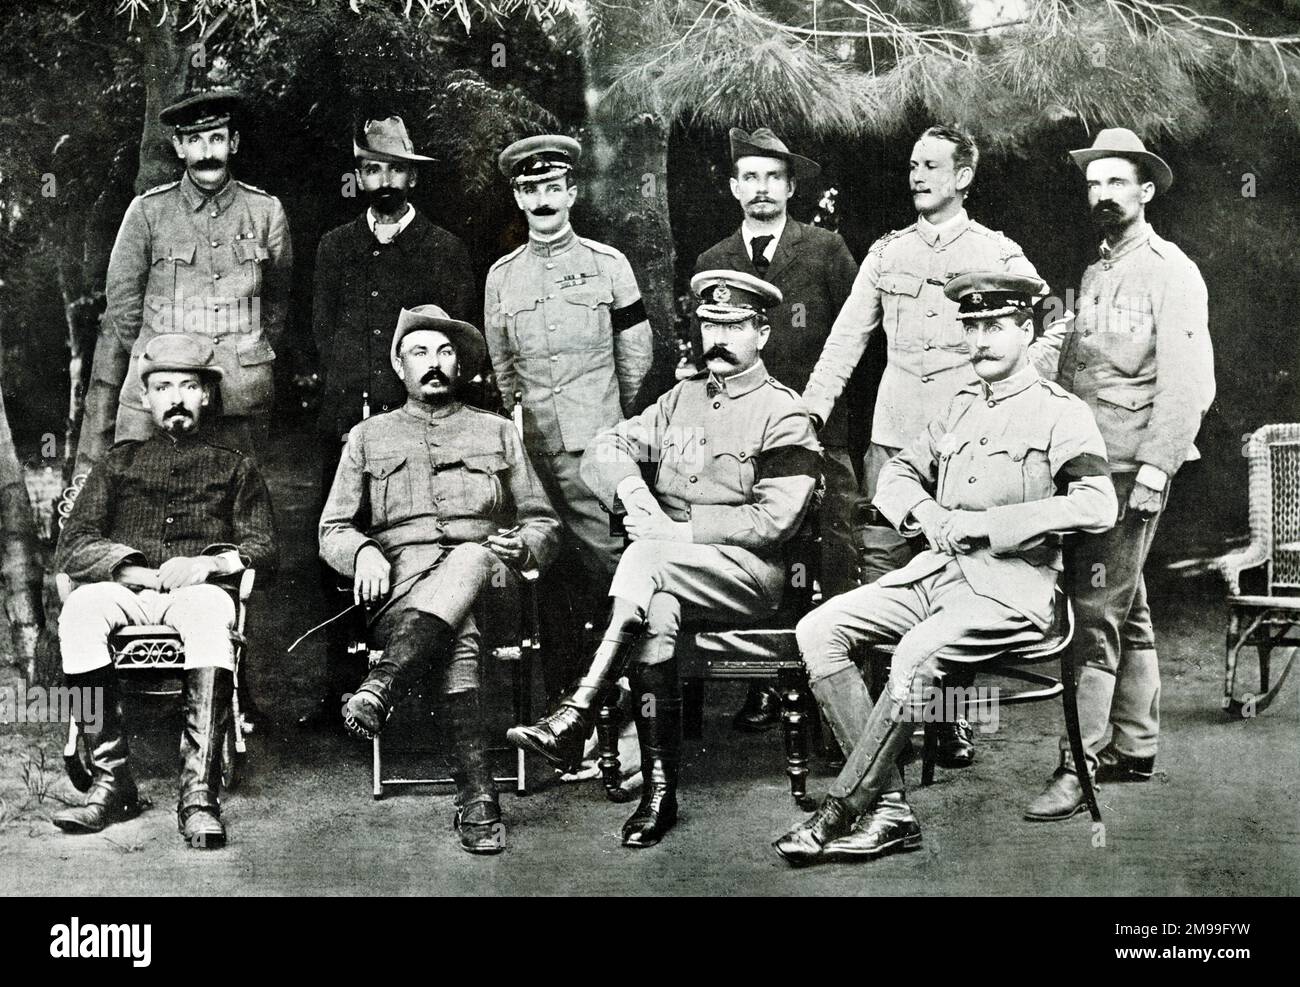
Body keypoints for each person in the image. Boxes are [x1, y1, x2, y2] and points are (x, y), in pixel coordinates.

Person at [774, 273, 1117, 866]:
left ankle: (843, 808)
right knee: (818, 630)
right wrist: (927, 510)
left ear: (1026, 330)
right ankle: (892, 810)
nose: (980, 340)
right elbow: (896, 474)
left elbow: (1097, 504)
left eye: (994, 326)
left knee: (914, 654)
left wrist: (989, 524)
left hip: (1013, 587)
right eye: (971, 327)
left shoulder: (1062, 413)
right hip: (937, 573)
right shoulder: (957, 405)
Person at [508, 271, 821, 847]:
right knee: (655, 612)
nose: (718, 337)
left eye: (734, 325)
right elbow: (607, 446)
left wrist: (675, 533)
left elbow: (775, 522)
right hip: (668, 571)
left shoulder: (785, 413)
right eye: (709, 324)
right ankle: (660, 792)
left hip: (749, 573)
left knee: (647, 560)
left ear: (764, 334)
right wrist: (633, 494)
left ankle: (580, 708)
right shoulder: (681, 399)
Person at [801, 124, 1043, 768]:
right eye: (912, 165)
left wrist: (1018, 393)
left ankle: (950, 719)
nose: (917, 175)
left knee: (965, 568)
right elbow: (847, 338)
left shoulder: (996, 250)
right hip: (896, 432)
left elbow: (1047, 321)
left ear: (963, 177)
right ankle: (884, 720)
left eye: (932, 166)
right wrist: (813, 408)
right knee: (884, 563)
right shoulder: (887, 253)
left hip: (968, 440)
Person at [1023, 128, 1215, 820]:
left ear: (1146, 189)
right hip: (1092, 464)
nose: (1101, 195)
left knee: (1092, 612)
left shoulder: (1171, 271)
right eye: (1092, 183)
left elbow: (1190, 384)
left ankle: (1079, 764)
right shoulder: (1100, 272)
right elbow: (1070, 362)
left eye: (1115, 182)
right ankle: (1135, 744)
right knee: (1126, 605)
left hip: (1133, 466)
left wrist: (1158, 469)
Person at [319, 305, 560, 854]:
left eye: (446, 352)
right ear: (399, 367)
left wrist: (523, 544)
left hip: (494, 578)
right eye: (420, 353)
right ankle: (477, 794)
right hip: (401, 588)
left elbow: (542, 520)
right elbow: (331, 528)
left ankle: (385, 683)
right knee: (461, 632)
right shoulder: (366, 436)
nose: (434, 363)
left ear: (462, 366)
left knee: (472, 557)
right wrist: (361, 553)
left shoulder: (498, 431)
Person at [53, 334, 278, 849]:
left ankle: (198, 795)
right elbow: (74, 544)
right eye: (163, 386)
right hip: (124, 587)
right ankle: (113, 784)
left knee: (208, 616)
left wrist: (210, 564)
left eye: (188, 386)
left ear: (206, 396)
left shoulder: (233, 465)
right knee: (81, 613)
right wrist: (127, 569)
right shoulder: (118, 462)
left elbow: (264, 546)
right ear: (147, 397)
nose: (175, 396)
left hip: (195, 592)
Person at [300, 116, 476, 731]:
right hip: (348, 420)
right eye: (372, 169)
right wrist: (353, 400)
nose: (383, 181)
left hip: (422, 422)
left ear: (412, 177)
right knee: (342, 543)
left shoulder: (443, 248)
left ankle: (416, 682)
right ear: (359, 176)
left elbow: (451, 342)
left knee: (421, 537)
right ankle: (342, 687)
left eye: (395, 169)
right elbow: (322, 332)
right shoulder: (334, 247)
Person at [695, 126, 863, 733]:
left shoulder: (825, 250)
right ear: (734, 187)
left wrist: (825, 418)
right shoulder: (713, 262)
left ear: (791, 186)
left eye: (774, 177)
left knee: (836, 559)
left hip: (822, 434)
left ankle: (840, 699)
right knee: (761, 556)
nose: (762, 189)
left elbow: (857, 341)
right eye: (751, 177)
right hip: (746, 445)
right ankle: (765, 684)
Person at [483, 134, 654, 702]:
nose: (543, 201)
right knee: (547, 581)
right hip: (534, 454)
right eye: (530, 190)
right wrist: (526, 425)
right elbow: (503, 367)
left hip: (597, 450)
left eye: (553, 188)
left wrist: (606, 419)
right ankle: (564, 708)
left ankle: (622, 702)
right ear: (517, 200)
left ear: (572, 193)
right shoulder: (502, 277)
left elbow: (636, 357)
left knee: (609, 569)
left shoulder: (609, 266)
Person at [77, 87, 292, 470]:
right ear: (179, 147)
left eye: (216, 139)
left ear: (234, 143)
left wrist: (246, 351)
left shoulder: (265, 212)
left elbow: (275, 299)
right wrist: (158, 356)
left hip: (239, 394)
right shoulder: (148, 212)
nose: (207, 152)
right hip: (160, 390)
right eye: (195, 140)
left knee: (236, 504)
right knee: (142, 502)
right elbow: (124, 299)